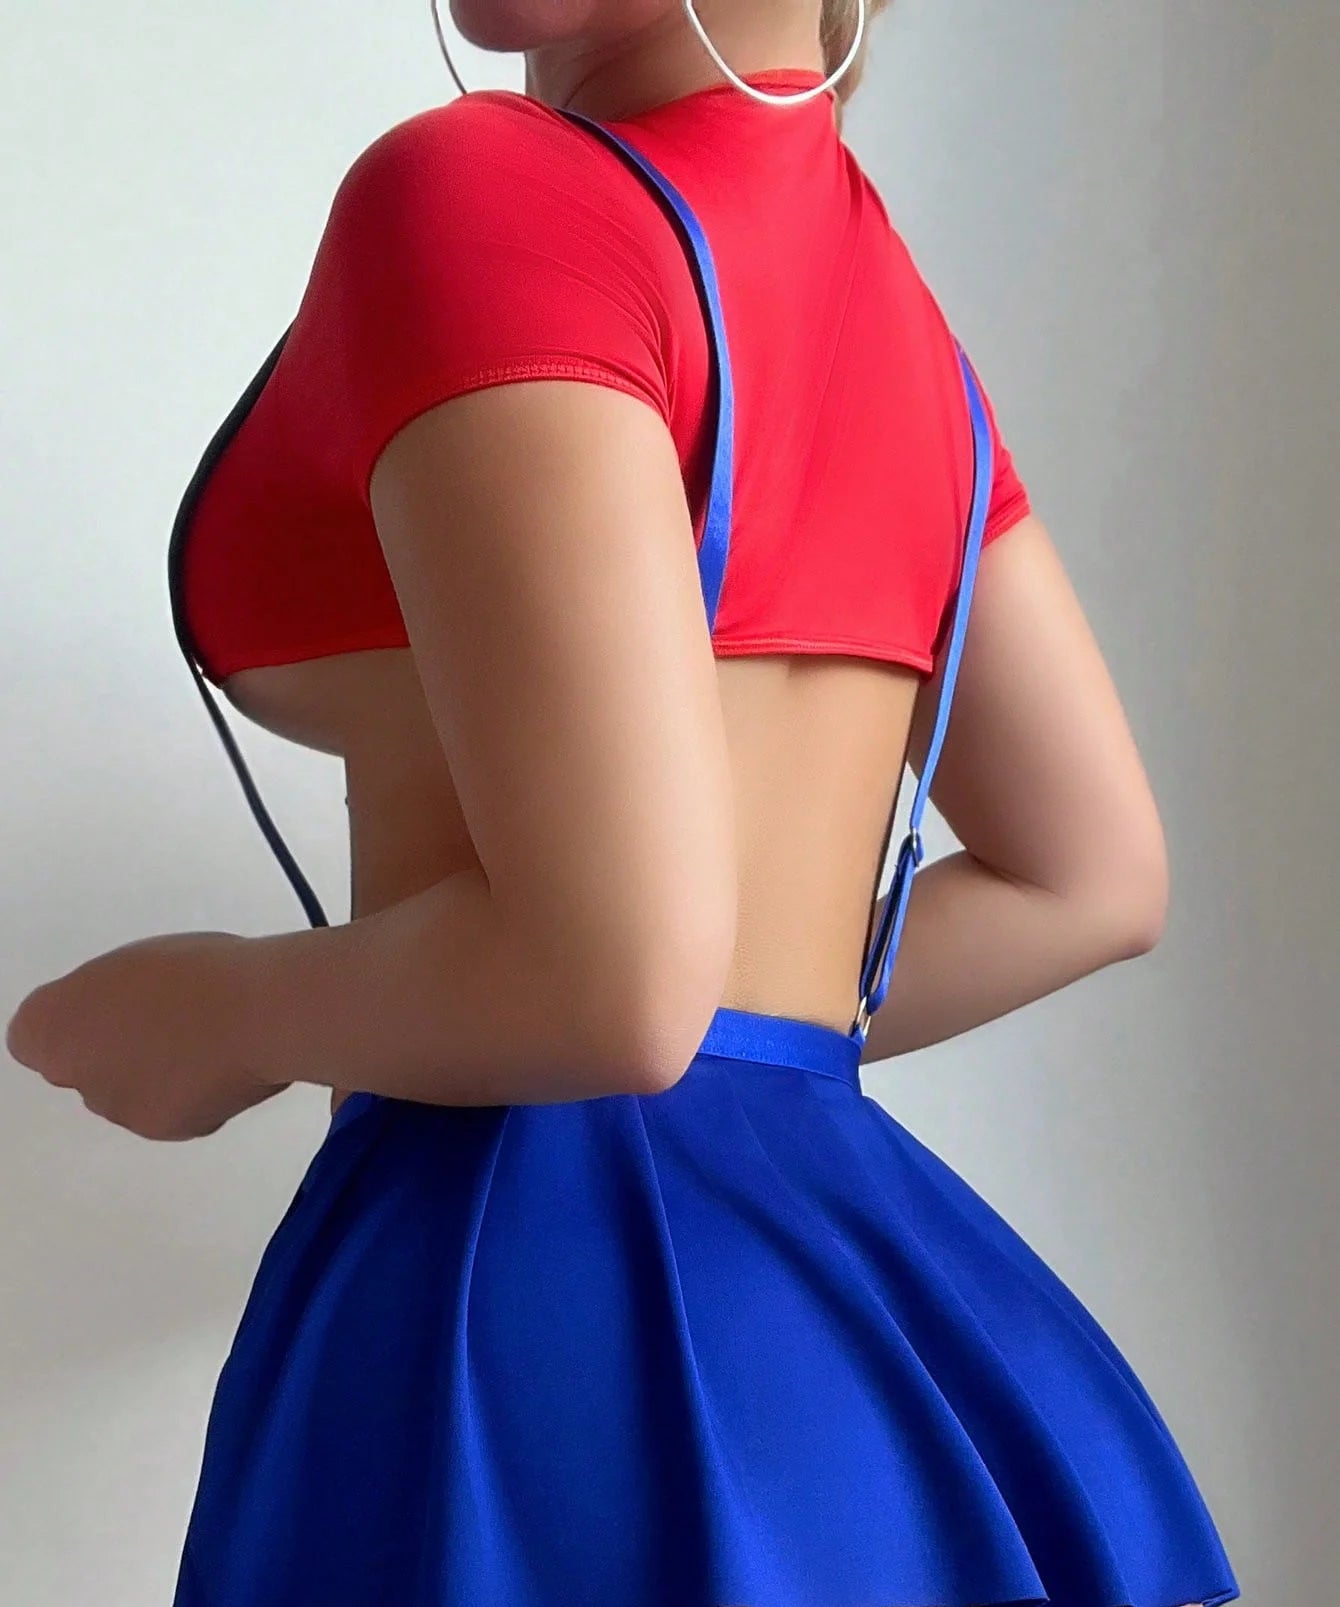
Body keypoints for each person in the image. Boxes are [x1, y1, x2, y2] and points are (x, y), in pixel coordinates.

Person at [6, 0, 1241, 1602]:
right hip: (865, 1314)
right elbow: (1092, 880)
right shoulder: (902, 321)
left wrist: (222, 1015)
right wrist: (735, 1034)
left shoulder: (488, 192)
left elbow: (611, 988)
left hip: (518, 1314)